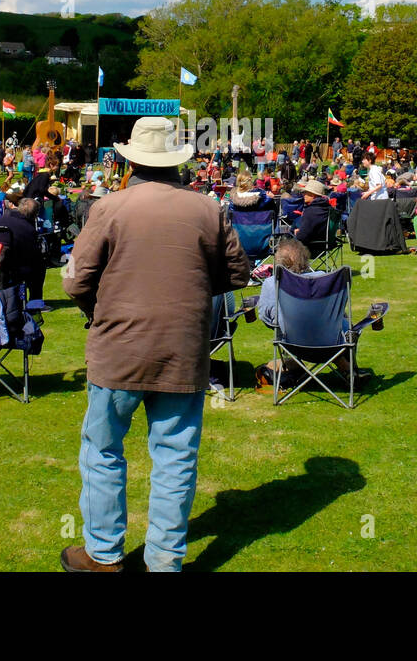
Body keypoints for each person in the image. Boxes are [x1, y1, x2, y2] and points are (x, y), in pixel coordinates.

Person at [62, 116, 249, 573]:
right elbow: (238, 274)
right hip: (183, 347)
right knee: (175, 456)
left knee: (103, 450)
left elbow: (75, 282)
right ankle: (164, 560)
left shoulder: (109, 208)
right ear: (176, 164)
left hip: (119, 347)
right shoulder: (209, 208)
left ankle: (103, 554)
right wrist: (193, 292)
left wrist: (99, 309)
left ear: (132, 161)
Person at [255, 238, 371, 383]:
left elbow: (265, 318)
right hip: (332, 344)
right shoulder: (325, 279)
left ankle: (295, 366)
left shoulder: (271, 284)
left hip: (292, 343)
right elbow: (339, 312)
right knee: (344, 324)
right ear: (305, 257)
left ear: (279, 261)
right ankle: (348, 369)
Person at [293, 178, 330, 247]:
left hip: (310, 246)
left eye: (305, 193)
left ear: (312, 195)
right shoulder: (326, 207)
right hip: (325, 243)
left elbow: (301, 237)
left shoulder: (311, 210)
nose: (303, 195)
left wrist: (298, 233)